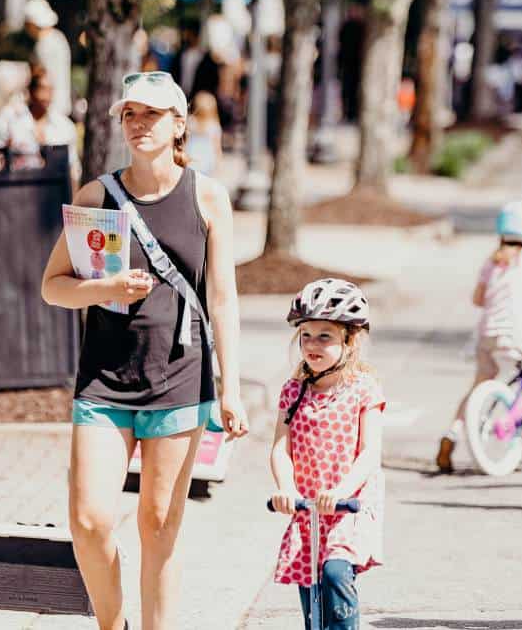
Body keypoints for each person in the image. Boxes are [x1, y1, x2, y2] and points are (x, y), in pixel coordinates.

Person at [39, 70, 249, 630]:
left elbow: (223, 298)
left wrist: (232, 388)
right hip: (105, 379)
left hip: (181, 377)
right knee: (88, 520)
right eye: (130, 114)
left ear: (179, 124)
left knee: (159, 524)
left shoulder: (207, 196)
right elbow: (52, 285)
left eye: (151, 115)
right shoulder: (97, 197)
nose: (138, 125)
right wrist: (105, 289)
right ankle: (114, 625)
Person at [269, 279, 385, 630]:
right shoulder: (293, 391)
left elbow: (369, 452)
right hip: (308, 506)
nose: (312, 345)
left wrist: (344, 490)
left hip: (350, 504)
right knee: (311, 592)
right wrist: (286, 487)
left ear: (349, 341)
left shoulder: (363, 388)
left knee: (335, 572)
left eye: (325, 336)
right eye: (306, 335)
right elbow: (280, 447)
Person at [435, 200, 522, 473]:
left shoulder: (492, 262)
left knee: (479, 383)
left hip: (488, 336)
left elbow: (478, 300)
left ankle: (452, 434)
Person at [0, 68, 78, 174]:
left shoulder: (65, 127)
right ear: (31, 91)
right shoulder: (9, 118)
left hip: (50, 187)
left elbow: (72, 169)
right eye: (42, 89)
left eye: (50, 90)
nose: (46, 96)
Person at [24, 0, 73, 120]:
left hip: (49, 107)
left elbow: (41, 76)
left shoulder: (43, 45)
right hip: (62, 104)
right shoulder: (58, 37)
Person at [185, 91, 225, 179]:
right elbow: (217, 147)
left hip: (192, 157)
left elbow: (185, 141)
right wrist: (219, 163)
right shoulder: (213, 125)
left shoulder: (191, 122)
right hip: (207, 159)